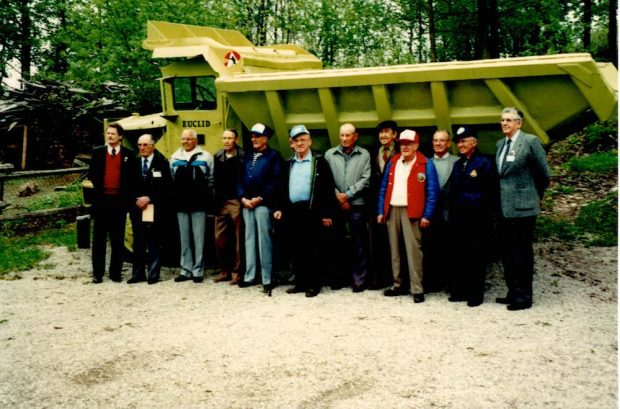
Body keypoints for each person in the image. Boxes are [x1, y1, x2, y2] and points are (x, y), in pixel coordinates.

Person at [495, 107, 550, 311]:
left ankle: (524, 297)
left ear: (520, 123)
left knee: (521, 253)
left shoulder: (530, 141)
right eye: (502, 120)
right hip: (504, 208)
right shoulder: (501, 144)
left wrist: (534, 195)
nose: (505, 123)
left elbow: (544, 174)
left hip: (523, 207)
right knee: (507, 252)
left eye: (509, 120)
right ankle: (512, 292)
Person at [377, 129, 440, 303]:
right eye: (402, 144)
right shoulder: (393, 162)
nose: (405, 147)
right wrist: (381, 211)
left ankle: (417, 289)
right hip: (392, 210)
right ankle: (398, 285)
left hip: (413, 212)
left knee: (414, 251)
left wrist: (427, 215)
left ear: (416, 145)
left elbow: (433, 192)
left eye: (409, 144)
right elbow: (383, 188)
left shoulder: (425, 163)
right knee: (395, 250)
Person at [274, 125, 336, 297]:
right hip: (292, 211)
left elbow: (327, 189)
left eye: (303, 140)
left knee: (313, 249)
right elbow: (281, 188)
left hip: (312, 211)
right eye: (296, 140)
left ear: (310, 141)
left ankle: (313, 284)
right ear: (291, 143)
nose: (300, 143)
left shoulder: (319, 162)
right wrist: (280, 208)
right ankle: (300, 283)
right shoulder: (288, 163)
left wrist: (326, 214)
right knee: (295, 248)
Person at [447, 126, 496, 306]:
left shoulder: (485, 163)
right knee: (461, 255)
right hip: (460, 218)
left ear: (474, 142)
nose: (460, 145)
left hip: (478, 219)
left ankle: (476, 294)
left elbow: (489, 192)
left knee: (477, 257)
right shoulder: (458, 164)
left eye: (464, 141)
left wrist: (465, 198)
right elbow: (452, 191)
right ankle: (461, 291)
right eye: (458, 142)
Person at [324, 123, 372, 292]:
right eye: (342, 135)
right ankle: (338, 278)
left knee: (359, 243)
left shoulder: (364, 154)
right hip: (335, 204)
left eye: (348, 135)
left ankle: (359, 280)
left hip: (356, 204)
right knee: (336, 242)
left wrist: (348, 195)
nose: (344, 139)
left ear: (355, 136)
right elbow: (326, 179)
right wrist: (338, 196)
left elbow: (366, 179)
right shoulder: (329, 154)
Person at [237, 123, 282, 295]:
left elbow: (275, 181)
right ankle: (250, 276)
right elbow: (239, 179)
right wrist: (242, 198)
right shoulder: (247, 156)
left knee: (264, 241)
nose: (254, 139)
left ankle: (267, 278)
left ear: (266, 138)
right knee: (249, 239)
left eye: (257, 136)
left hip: (263, 204)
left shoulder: (273, 156)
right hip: (247, 204)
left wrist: (260, 198)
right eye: (252, 136)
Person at [88, 123, 136, 284]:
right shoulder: (98, 152)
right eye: (108, 133)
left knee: (117, 239)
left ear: (120, 136)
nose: (109, 136)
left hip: (119, 203)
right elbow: (93, 175)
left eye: (113, 134)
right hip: (102, 202)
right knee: (99, 240)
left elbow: (131, 179)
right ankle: (97, 273)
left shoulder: (129, 154)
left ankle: (115, 273)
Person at [170, 129, 214, 283]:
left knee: (198, 237)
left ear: (195, 140)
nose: (185, 142)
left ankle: (198, 271)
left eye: (189, 139)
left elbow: (211, 179)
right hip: (181, 203)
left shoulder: (206, 157)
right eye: (183, 139)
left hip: (199, 203)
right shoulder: (175, 157)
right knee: (184, 238)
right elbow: (172, 178)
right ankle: (185, 270)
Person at [128, 134, 172, 285]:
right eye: (139, 145)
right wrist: (136, 200)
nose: (142, 148)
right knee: (138, 240)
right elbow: (127, 185)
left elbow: (166, 187)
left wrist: (149, 198)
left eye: (145, 145)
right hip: (137, 207)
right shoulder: (133, 163)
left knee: (154, 240)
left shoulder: (162, 163)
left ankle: (153, 274)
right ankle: (137, 273)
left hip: (153, 207)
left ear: (153, 145)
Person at [423, 129, 459, 293]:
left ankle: (453, 283)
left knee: (453, 250)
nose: (438, 143)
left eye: (442, 140)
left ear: (449, 143)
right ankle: (433, 282)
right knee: (432, 249)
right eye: (435, 140)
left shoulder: (457, 162)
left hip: (452, 215)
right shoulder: (425, 163)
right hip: (431, 215)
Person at [368, 120, 399, 290]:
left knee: (395, 242)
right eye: (381, 132)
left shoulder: (401, 152)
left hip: (395, 201)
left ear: (395, 134)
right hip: (376, 203)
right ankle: (380, 277)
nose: (383, 135)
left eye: (387, 132)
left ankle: (398, 278)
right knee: (378, 242)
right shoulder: (373, 152)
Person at [213, 128, 245, 285]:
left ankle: (237, 272)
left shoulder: (243, 156)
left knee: (239, 239)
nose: (226, 141)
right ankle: (224, 270)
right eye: (224, 138)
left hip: (236, 201)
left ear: (236, 140)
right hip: (221, 201)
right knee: (219, 238)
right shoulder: (218, 156)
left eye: (229, 138)